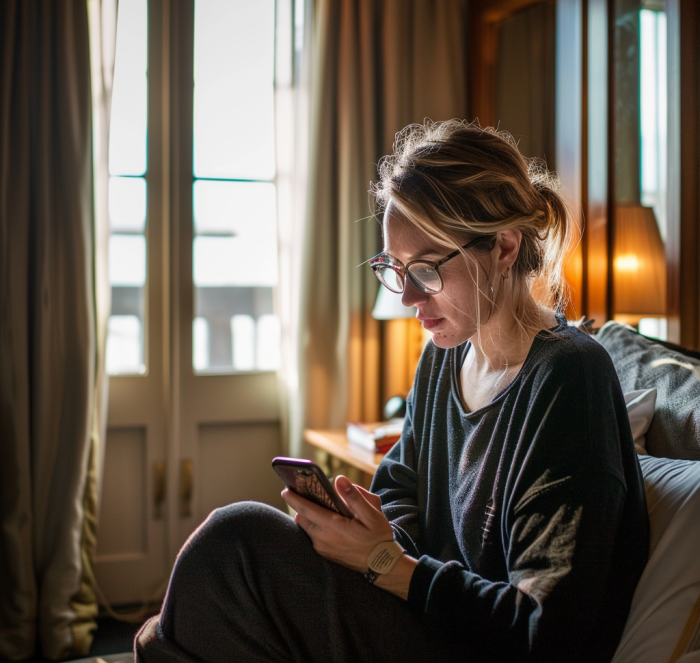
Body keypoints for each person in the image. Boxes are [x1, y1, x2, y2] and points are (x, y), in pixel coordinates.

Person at [135, 120, 649, 663]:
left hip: (480, 646)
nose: (406, 297)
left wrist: (387, 564)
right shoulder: (444, 357)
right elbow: (401, 484)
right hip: (420, 617)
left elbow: (545, 631)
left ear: (503, 246)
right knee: (220, 587)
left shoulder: (569, 378)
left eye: (425, 270)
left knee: (236, 542)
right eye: (393, 269)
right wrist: (366, 538)